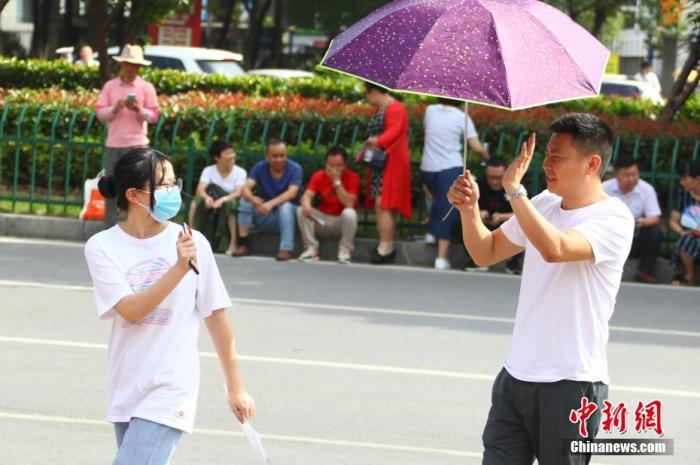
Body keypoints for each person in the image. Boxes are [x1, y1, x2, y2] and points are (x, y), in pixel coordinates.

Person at [448, 113, 634, 465]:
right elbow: (485, 252)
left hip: (571, 381)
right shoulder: (545, 203)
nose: (546, 164)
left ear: (592, 164)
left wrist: (515, 192)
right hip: (516, 375)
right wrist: (468, 209)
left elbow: (557, 249)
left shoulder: (614, 217)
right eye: (546, 154)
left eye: (557, 156)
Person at [83, 148, 255, 465]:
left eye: (175, 183)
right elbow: (132, 311)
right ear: (133, 194)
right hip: (127, 385)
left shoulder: (193, 241)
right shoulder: (102, 247)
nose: (173, 192)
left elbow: (216, 317)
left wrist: (236, 388)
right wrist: (178, 268)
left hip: (171, 386)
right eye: (163, 185)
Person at [421, 98, 489, 270]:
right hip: (450, 166)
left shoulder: (429, 110)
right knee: (448, 209)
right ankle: (441, 258)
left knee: (436, 199)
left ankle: (431, 233)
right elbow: (476, 147)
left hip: (427, 168)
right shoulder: (462, 117)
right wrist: (488, 158)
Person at [96, 44, 159, 228]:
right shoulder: (110, 86)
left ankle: (139, 227)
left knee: (140, 188)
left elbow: (154, 116)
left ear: (139, 67)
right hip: (114, 143)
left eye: (134, 65)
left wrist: (138, 109)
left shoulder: (146, 87)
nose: (130, 68)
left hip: (138, 145)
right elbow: (100, 113)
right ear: (121, 65)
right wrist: (115, 109)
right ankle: (109, 228)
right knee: (110, 186)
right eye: (127, 64)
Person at [355, 82, 412, 264]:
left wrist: (376, 141)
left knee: (384, 204)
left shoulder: (395, 108)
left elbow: (394, 132)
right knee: (384, 205)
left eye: (366, 93)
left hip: (391, 163)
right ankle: (386, 245)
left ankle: (385, 246)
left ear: (372, 91)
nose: (367, 98)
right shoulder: (384, 108)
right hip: (383, 163)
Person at [235, 139, 302, 261]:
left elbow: (292, 192)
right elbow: (245, 189)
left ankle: (286, 249)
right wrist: (253, 199)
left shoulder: (295, 168)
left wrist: (270, 204)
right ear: (267, 156)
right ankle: (243, 244)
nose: (279, 159)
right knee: (245, 202)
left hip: (288, 219)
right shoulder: (260, 167)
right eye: (275, 156)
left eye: (282, 155)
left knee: (286, 207)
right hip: (264, 214)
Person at [602, 155, 663, 283]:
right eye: (626, 175)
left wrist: (643, 222)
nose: (631, 179)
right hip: (610, 237)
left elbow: (655, 217)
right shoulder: (603, 189)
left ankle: (644, 272)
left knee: (654, 232)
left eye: (634, 174)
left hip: (635, 237)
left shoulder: (646, 189)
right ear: (616, 175)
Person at [297, 146, 361, 264]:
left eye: (339, 165)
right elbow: (307, 195)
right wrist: (306, 203)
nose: (334, 169)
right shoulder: (319, 176)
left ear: (345, 165)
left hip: (341, 224)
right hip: (323, 221)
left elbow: (349, 203)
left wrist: (336, 181)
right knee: (301, 210)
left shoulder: (353, 178)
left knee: (350, 213)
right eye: (331, 165)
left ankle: (345, 249)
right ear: (326, 164)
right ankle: (312, 248)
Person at [189, 140, 247, 255]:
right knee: (194, 203)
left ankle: (233, 242)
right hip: (212, 200)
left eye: (232, 152)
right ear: (217, 158)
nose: (232, 156)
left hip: (229, 200)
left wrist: (222, 200)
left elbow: (238, 193)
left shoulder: (240, 172)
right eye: (228, 153)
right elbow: (200, 189)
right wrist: (207, 198)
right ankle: (191, 237)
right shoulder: (209, 170)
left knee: (230, 206)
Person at [470, 157, 522, 274]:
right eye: (491, 177)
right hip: (483, 225)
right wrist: (477, 213)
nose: (494, 182)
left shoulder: (511, 188)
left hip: (506, 225)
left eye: (498, 178)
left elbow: (523, 212)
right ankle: (474, 260)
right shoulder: (480, 185)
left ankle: (514, 263)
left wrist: (501, 216)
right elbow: (466, 207)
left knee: (521, 224)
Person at [668, 160, 700, 286]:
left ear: (696, 179)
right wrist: (682, 231)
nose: (681, 182)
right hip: (692, 236)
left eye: (684, 178)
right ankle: (689, 275)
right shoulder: (683, 193)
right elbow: (673, 221)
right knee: (686, 239)